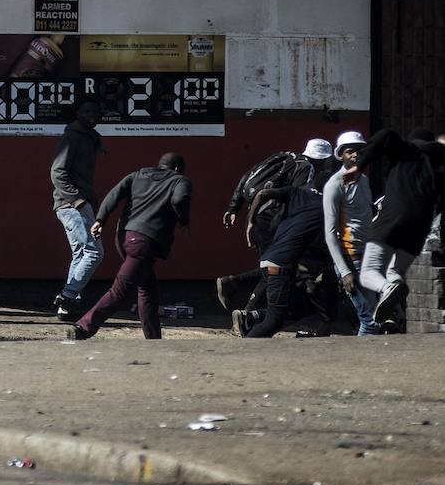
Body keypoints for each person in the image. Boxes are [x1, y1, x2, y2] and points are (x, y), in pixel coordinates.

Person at [68, 153, 192, 341]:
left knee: (147, 289)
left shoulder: (137, 175)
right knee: (120, 291)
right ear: (176, 169)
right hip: (143, 244)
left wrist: (100, 219)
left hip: (124, 237)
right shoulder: (179, 181)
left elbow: (113, 195)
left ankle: (154, 340)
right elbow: (179, 200)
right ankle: (83, 327)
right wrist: (183, 220)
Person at [216, 139, 335, 312]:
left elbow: (246, 177)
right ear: (322, 159)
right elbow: (296, 198)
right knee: (276, 268)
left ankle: (236, 289)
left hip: (256, 215)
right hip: (273, 220)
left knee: (273, 266)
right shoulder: (307, 168)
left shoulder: (283, 156)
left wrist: (233, 207)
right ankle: (245, 308)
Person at [355, 127, 445, 330]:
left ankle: (387, 287)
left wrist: (360, 164)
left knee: (369, 271)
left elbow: (386, 135)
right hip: (421, 226)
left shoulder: (408, 151)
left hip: (393, 218)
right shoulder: (440, 165)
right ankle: (394, 284)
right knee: (395, 270)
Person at [232, 180, 329, 338]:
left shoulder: (297, 192)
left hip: (269, 260)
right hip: (280, 267)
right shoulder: (324, 206)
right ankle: (246, 348)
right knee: (274, 321)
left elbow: (263, 193)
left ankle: (250, 316)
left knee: (299, 306)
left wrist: (250, 222)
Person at [50, 97, 103, 321]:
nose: (92, 115)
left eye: (95, 111)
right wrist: (78, 200)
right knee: (94, 252)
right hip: (72, 205)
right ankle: (68, 295)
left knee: (80, 253)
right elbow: (57, 173)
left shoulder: (89, 137)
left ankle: (68, 307)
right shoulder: (72, 137)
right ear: (77, 114)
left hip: (77, 203)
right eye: (86, 110)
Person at [321, 131, 378, 335]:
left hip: (368, 256)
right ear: (341, 155)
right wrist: (344, 271)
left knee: (373, 316)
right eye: (350, 151)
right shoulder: (334, 185)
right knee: (370, 320)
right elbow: (330, 233)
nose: (355, 155)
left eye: (360, 151)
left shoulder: (363, 180)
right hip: (350, 257)